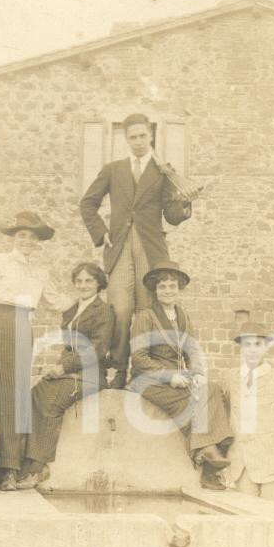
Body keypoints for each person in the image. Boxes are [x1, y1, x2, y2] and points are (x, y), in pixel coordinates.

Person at [79, 113, 192, 390]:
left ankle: (143, 371)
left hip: (150, 249)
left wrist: (185, 203)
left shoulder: (163, 171)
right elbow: (87, 203)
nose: (138, 141)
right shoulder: (112, 169)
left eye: (143, 136)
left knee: (145, 312)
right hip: (119, 247)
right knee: (120, 310)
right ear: (125, 139)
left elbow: (173, 215)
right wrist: (101, 232)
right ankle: (118, 369)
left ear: (150, 135)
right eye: (133, 137)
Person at [0, 211, 72, 491]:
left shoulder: (40, 271)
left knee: (16, 397)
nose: (27, 241)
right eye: (22, 235)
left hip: (22, 328)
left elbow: (57, 301)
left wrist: (91, 298)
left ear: (38, 242)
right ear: (14, 238)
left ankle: (9, 468)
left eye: (32, 237)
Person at [129, 261, 233, 490]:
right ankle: (207, 455)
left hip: (180, 376)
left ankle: (206, 453)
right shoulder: (145, 317)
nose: (168, 291)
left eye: (172, 286)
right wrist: (169, 377)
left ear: (179, 289)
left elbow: (193, 350)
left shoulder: (183, 317)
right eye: (163, 286)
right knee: (188, 401)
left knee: (212, 389)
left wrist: (196, 374)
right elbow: (138, 357)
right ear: (155, 291)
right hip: (148, 379)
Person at [18, 262, 116, 489]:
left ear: (99, 284)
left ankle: (38, 467)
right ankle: (26, 460)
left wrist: (64, 367)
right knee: (35, 393)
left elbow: (96, 349)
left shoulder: (103, 311)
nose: (83, 285)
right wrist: (60, 365)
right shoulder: (73, 309)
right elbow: (69, 346)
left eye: (88, 281)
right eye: (79, 281)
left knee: (52, 401)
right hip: (72, 370)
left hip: (91, 374)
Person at [225, 323, 274, 504]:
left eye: (258, 345)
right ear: (241, 348)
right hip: (242, 465)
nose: (252, 350)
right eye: (247, 345)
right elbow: (225, 415)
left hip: (273, 465)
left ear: (266, 347)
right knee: (245, 520)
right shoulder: (231, 378)